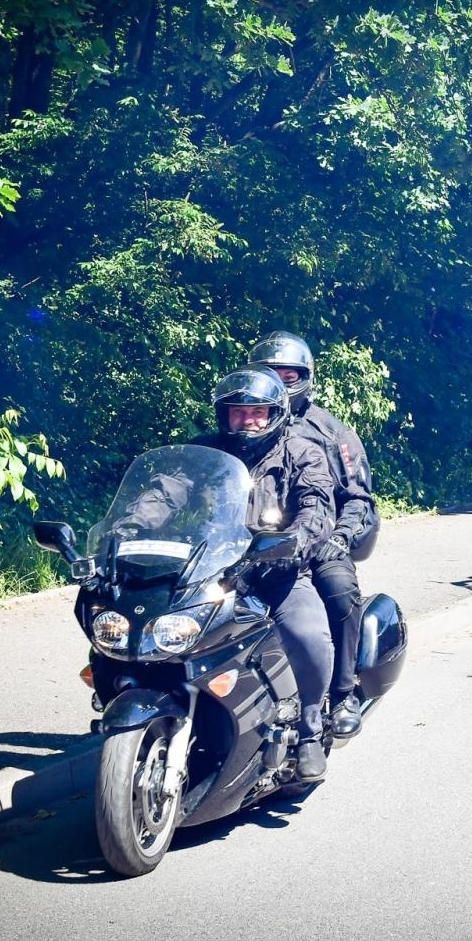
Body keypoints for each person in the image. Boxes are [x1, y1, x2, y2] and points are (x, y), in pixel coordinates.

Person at [194, 366, 337, 780]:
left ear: (276, 413)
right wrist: (134, 527)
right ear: (224, 415)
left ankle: (309, 731)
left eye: (257, 411)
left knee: (308, 635)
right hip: (208, 570)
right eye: (238, 412)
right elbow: (164, 495)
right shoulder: (206, 454)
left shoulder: (302, 451)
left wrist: (293, 543)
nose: (247, 419)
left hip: (276, 571)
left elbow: (316, 506)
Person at [246, 331, 378, 738]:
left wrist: (340, 537)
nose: (280, 383)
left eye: (289, 375)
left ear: (305, 378)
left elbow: (359, 498)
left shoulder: (333, 433)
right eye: (270, 374)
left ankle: (343, 692)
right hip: (247, 538)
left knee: (337, 588)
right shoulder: (246, 420)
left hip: (319, 536)